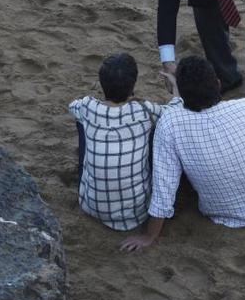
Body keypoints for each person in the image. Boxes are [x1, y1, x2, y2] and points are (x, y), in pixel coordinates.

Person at [120, 56, 245, 251]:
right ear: (218, 84)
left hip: (225, 213)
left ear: (182, 95)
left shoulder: (170, 124)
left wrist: (150, 236)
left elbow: (164, 188)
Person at [69, 52, 183, 231]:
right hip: (135, 214)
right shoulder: (144, 110)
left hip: (90, 205)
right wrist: (176, 87)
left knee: (81, 120)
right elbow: (175, 110)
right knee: (157, 126)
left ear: (101, 83)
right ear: (132, 86)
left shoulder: (87, 106)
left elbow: (72, 106)